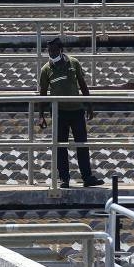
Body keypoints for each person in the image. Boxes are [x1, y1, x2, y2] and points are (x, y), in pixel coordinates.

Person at [38, 37, 104, 188]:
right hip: (59, 112)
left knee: (82, 144)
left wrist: (89, 105)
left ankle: (87, 177)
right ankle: (64, 179)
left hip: (76, 111)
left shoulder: (73, 63)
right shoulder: (46, 69)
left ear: (60, 50)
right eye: (49, 51)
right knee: (61, 146)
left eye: (54, 50)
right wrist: (41, 115)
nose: (51, 53)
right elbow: (42, 93)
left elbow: (82, 84)